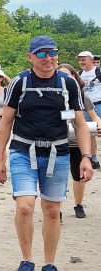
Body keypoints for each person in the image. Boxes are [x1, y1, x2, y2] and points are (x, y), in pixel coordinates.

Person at [0, 35, 94, 271]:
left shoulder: (68, 83)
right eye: (41, 53)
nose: (48, 58)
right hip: (23, 151)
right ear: (30, 57)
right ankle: (26, 261)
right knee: (25, 207)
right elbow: (5, 123)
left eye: (52, 52)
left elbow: (80, 123)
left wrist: (86, 157)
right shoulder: (19, 82)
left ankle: (49, 265)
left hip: (57, 153)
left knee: (51, 210)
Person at [59, 64, 97, 219]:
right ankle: (57, 208)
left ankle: (78, 205)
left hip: (76, 141)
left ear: (74, 76)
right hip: (57, 140)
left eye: (67, 75)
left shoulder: (81, 95)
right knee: (57, 176)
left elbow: (94, 116)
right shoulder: (52, 94)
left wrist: (98, 125)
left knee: (78, 175)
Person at [76, 50, 101, 167]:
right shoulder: (79, 74)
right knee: (89, 132)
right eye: (80, 60)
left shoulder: (98, 72)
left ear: (91, 60)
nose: (81, 62)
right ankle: (93, 158)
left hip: (99, 104)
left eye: (84, 60)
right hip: (86, 107)